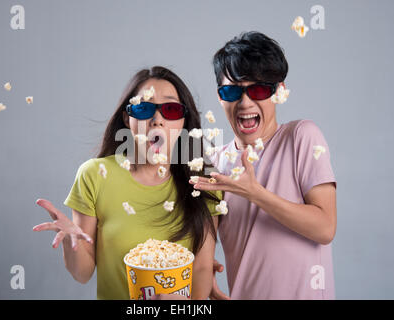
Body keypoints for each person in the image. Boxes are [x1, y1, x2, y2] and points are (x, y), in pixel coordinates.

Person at [32, 66, 223, 300]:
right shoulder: (95, 175)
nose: (157, 120)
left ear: (184, 121)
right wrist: (71, 241)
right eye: (143, 109)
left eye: (171, 110)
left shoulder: (204, 181)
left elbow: (202, 268)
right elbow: (82, 273)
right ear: (127, 118)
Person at [192, 31, 337, 299]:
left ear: (279, 92)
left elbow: (325, 228)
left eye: (258, 89)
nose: (245, 102)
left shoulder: (301, 136)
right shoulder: (213, 166)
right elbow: (203, 256)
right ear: (220, 96)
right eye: (232, 90)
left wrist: (255, 193)